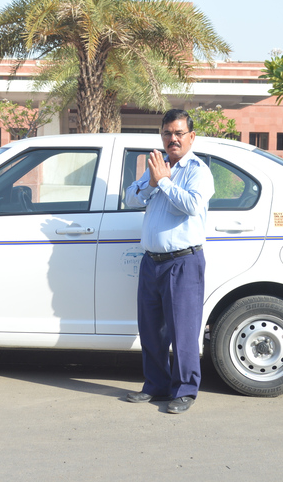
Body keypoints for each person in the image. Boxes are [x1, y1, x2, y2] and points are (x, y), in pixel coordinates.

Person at [124, 109, 214, 414]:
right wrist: (152, 182)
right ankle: (156, 385)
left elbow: (191, 205)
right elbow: (130, 198)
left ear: (191, 136)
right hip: (152, 262)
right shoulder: (158, 166)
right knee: (151, 330)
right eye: (167, 133)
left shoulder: (197, 170)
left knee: (183, 331)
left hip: (182, 263)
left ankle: (185, 390)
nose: (172, 139)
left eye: (178, 133)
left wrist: (163, 182)